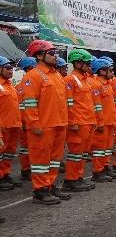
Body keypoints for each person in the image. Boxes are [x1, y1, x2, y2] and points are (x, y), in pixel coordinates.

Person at [17, 40, 71, 204]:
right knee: (41, 160)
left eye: (55, 53)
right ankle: (40, 191)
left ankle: (50, 185)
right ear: (40, 56)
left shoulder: (56, 76)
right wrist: (34, 124)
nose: (56, 57)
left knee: (54, 160)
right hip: (43, 126)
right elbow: (29, 103)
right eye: (52, 53)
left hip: (59, 124)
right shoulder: (33, 76)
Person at [61, 49, 97, 192]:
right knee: (75, 153)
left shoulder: (85, 80)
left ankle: (78, 177)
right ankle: (71, 179)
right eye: (87, 63)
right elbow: (68, 103)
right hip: (79, 123)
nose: (89, 66)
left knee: (82, 153)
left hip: (88, 121)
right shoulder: (70, 80)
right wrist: (72, 122)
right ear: (78, 63)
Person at [0, 56, 22, 192]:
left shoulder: (10, 86)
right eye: (7, 67)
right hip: (2, 126)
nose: (11, 70)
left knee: (9, 153)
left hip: (13, 126)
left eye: (11, 68)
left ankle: (5, 174)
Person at [15, 57, 37, 181]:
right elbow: (22, 106)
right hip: (26, 121)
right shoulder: (24, 84)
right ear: (29, 68)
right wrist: (24, 122)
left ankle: (29, 168)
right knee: (25, 147)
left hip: (28, 120)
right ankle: (25, 169)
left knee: (30, 147)